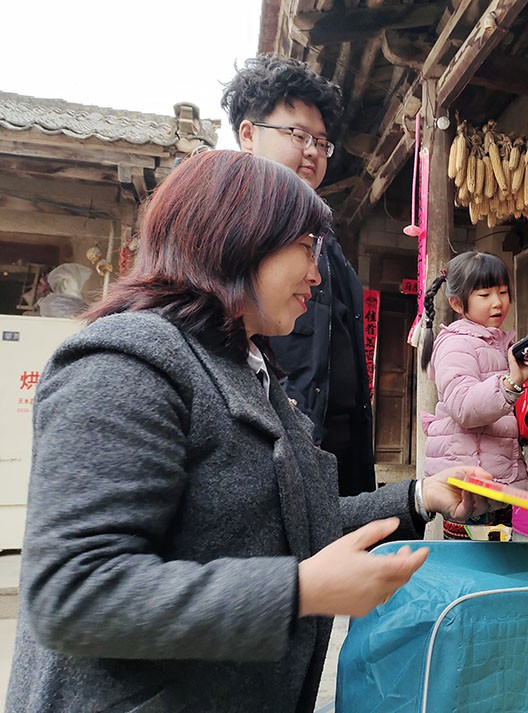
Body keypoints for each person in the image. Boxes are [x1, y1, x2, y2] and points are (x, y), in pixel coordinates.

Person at [4, 151, 491, 713]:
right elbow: (75, 591)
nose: (316, 274)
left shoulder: (246, 366)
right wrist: (300, 589)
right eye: (306, 251)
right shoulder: (127, 361)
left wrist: (419, 495)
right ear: (240, 240)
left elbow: (288, 525)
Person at [221, 54, 376, 496]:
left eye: (321, 141)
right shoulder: (225, 231)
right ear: (248, 135)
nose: (312, 150)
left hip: (336, 456)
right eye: (297, 134)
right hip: (279, 453)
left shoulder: (329, 247)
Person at [419, 250, 528, 540]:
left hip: (504, 481)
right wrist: (510, 384)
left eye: (503, 292)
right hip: (469, 486)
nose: (498, 303)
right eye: (485, 295)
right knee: (469, 565)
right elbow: (463, 407)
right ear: (457, 303)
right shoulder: (455, 345)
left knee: (501, 560)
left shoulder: (505, 342)